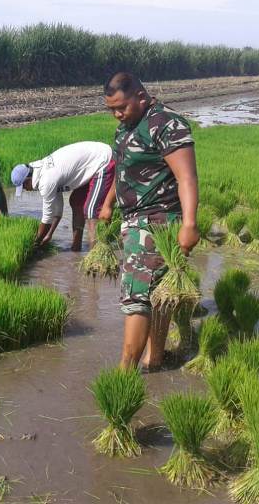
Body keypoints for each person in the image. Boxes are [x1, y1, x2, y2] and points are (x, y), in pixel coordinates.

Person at [98, 72, 199, 371]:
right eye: (111, 109)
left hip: (156, 221)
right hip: (133, 219)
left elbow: (187, 177)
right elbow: (124, 170)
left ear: (141, 97)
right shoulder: (125, 128)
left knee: (136, 296)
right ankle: (154, 358)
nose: (117, 114)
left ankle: (125, 372)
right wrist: (107, 203)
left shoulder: (166, 123)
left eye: (122, 107)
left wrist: (190, 224)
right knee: (156, 294)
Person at [10, 142, 114, 250]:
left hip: (103, 161)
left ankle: (96, 255)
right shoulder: (41, 172)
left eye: (24, 187)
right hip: (91, 164)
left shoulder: (46, 180)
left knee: (91, 210)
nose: (26, 190)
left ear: (27, 180)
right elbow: (57, 210)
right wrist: (49, 234)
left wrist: (35, 243)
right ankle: (76, 247)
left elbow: (47, 217)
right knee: (76, 202)